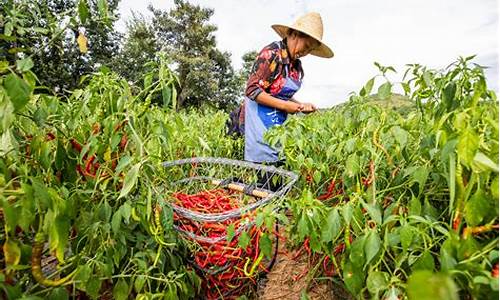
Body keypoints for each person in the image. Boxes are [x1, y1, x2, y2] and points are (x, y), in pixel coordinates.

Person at [243, 12, 334, 167]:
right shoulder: (272, 54)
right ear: (293, 35)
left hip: (277, 127)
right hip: (258, 124)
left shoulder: (296, 66)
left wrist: (299, 105)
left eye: (309, 50)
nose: (304, 53)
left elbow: (280, 93)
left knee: (277, 173)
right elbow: (252, 90)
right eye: (305, 47)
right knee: (263, 177)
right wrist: (286, 106)